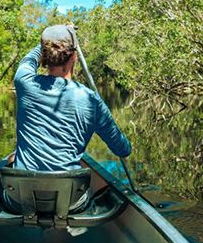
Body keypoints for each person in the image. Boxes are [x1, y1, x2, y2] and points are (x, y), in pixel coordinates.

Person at [13, 24, 131, 172]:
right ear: (74, 56)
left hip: (19, 193)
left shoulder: (24, 82)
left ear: (44, 55)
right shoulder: (90, 99)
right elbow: (123, 149)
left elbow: (28, 60)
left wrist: (47, 43)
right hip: (68, 194)